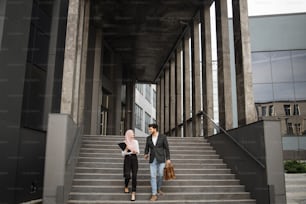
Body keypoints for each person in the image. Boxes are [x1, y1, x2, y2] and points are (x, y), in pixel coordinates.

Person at [144, 123, 171, 201]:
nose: (149, 130)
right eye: (149, 129)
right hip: (152, 159)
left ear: (155, 129)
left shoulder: (163, 137)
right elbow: (147, 148)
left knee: (160, 174)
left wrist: (168, 158)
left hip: (161, 158)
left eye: (150, 129)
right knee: (153, 176)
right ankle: (154, 194)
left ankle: (158, 188)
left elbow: (167, 148)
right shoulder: (148, 138)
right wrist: (146, 154)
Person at [122, 129, 139, 201]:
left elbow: (138, 152)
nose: (133, 134)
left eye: (133, 133)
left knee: (134, 175)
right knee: (127, 175)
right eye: (132, 133)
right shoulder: (124, 142)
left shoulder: (135, 142)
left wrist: (135, 151)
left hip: (134, 159)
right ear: (128, 134)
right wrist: (127, 149)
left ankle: (133, 192)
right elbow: (123, 154)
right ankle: (126, 186)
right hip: (127, 159)